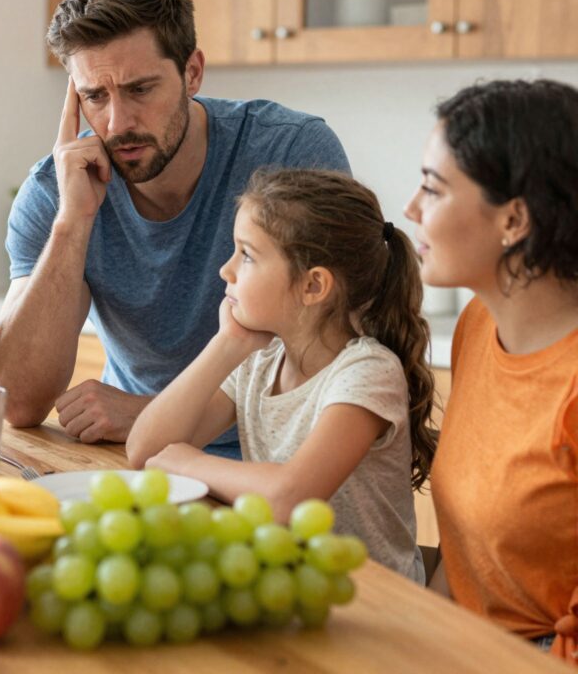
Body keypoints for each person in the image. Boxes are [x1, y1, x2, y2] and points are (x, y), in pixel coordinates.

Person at [0, 0, 350, 458]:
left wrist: (150, 411)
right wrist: (73, 223)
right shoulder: (56, 190)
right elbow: (17, 402)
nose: (118, 123)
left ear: (192, 72)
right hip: (139, 458)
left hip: (277, 459)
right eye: (95, 96)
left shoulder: (292, 152)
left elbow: (343, 361)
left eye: (140, 90)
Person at [128, 168, 435, 582]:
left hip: (373, 603)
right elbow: (145, 449)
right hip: (290, 585)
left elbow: (289, 497)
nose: (226, 270)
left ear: (313, 286)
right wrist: (227, 344)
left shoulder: (367, 372)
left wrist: (187, 461)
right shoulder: (259, 361)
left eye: (247, 255)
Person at [404, 79, 578, 661]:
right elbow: (464, 564)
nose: (411, 209)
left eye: (432, 187)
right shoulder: (480, 324)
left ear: (514, 220)